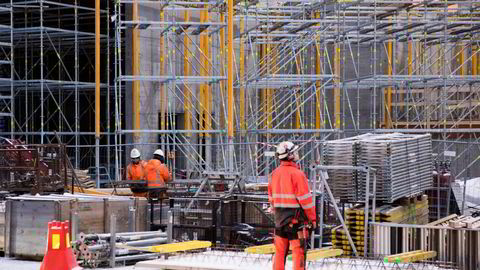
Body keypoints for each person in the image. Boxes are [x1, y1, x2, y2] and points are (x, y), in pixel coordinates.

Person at [268, 141, 317, 270]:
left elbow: (271, 198)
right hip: (296, 222)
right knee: (298, 252)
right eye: (294, 152)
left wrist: (277, 213)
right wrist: (312, 219)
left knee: (279, 252)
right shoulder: (297, 174)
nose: (297, 154)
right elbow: (306, 201)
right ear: (290, 155)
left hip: (279, 220)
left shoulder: (274, 174)